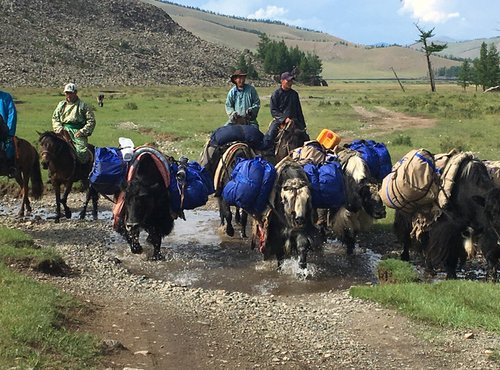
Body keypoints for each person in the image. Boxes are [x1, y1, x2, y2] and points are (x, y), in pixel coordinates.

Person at [52, 83, 96, 164]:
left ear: (75, 92)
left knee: (81, 152)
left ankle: (82, 171)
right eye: (66, 93)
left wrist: (82, 131)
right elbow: (55, 118)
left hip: (77, 132)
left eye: (70, 93)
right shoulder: (61, 105)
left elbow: (91, 121)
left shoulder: (83, 106)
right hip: (63, 131)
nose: (68, 95)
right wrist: (59, 128)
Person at [0, 90, 18, 177]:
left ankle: (11, 167)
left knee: (8, 145)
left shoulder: (6, 97)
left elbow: (12, 114)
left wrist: (10, 132)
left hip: (3, 130)